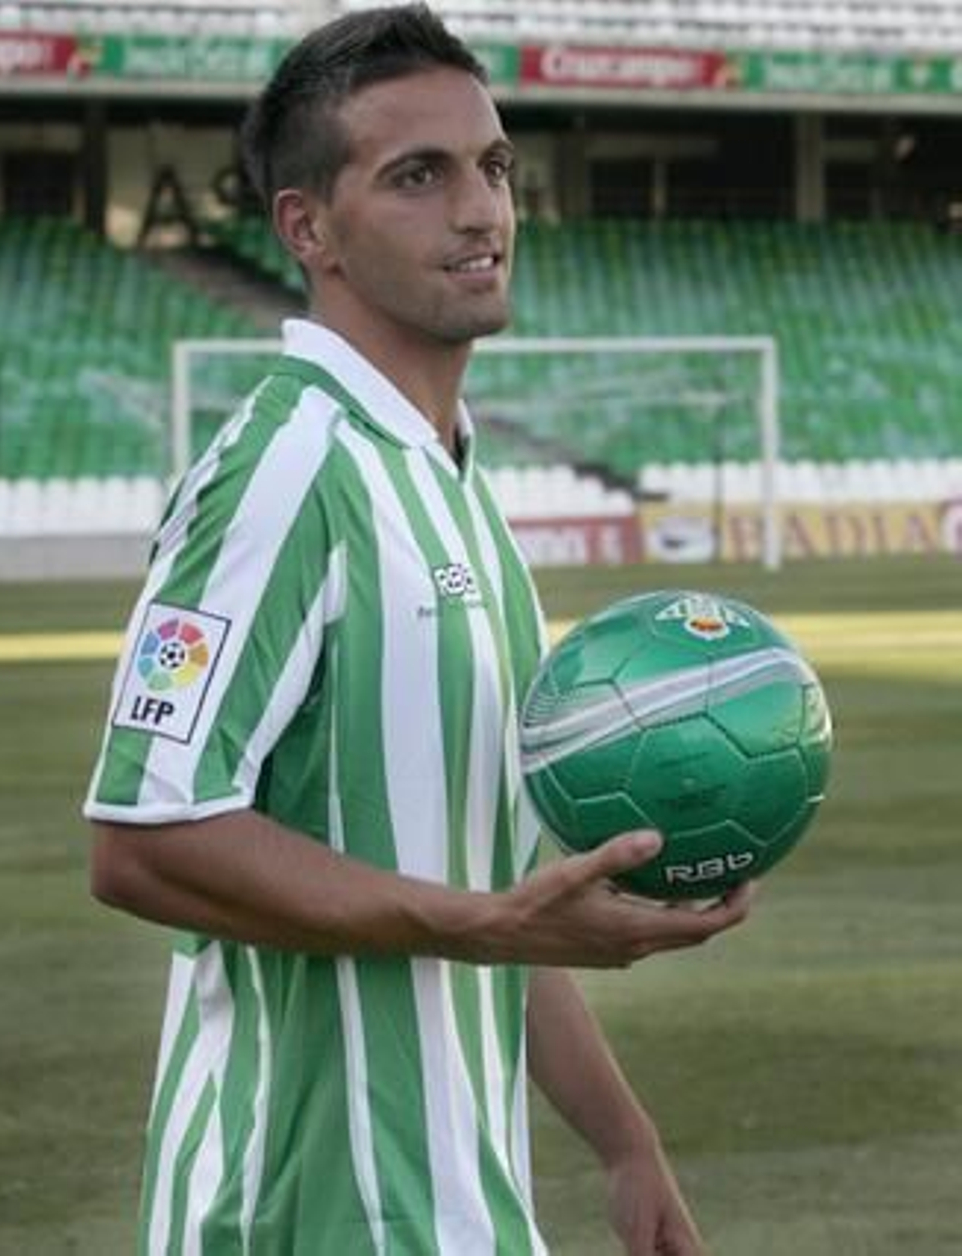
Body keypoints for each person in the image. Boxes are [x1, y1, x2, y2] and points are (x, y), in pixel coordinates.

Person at [83, 6, 753, 1253]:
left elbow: (490, 885)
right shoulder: (284, 471)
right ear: (308, 228)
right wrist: (488, 922)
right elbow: (141, 839)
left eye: (493, 165)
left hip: (457, 1204)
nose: (480, 208)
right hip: (296, 1207)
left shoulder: (455, 489)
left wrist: (622, 1137)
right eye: (418, 176)